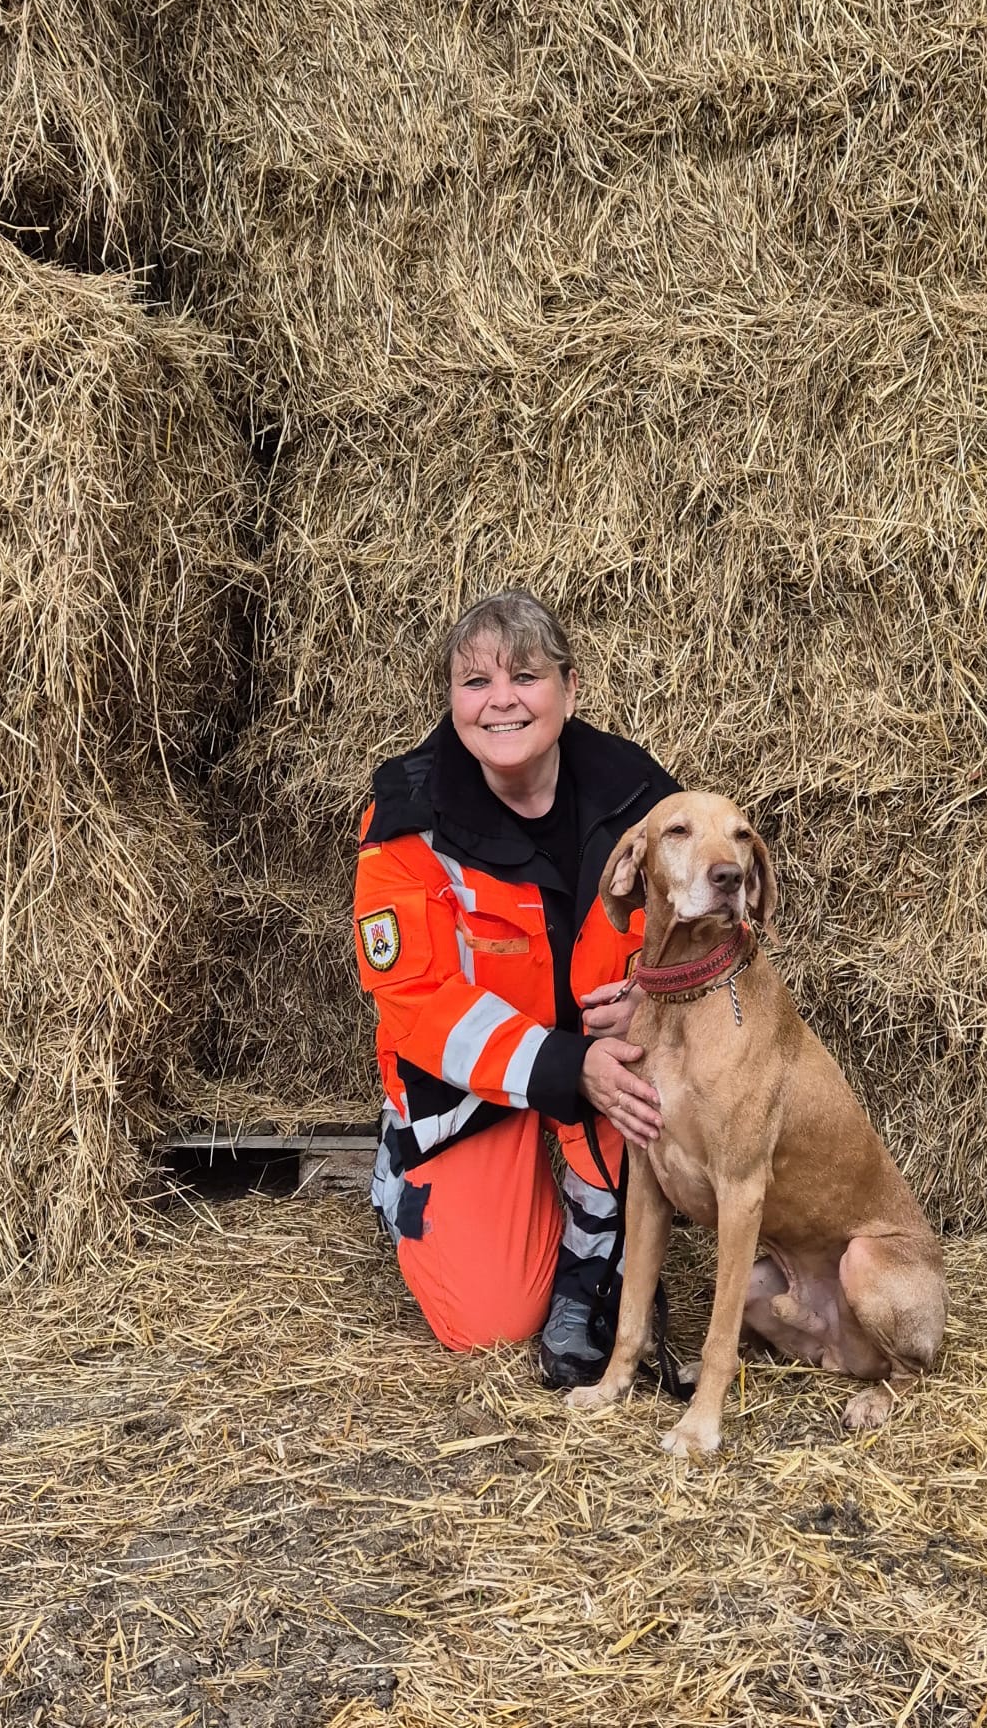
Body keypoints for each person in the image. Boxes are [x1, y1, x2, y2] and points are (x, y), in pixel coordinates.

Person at [353, 590, 676, 1386]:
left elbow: (715, 930)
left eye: (526, 676)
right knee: (489, 1321)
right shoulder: (406, 819)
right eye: (476, 682)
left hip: (605, 1074)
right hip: (475, 1086)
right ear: (451, 701)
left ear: (570, 689)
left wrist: (656, 1000)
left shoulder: (643, 797)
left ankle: (595, 1264)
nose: (501, 700)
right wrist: (567, 1066)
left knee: (656, 1072)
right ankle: (406, 1176)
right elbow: (419, 1002)